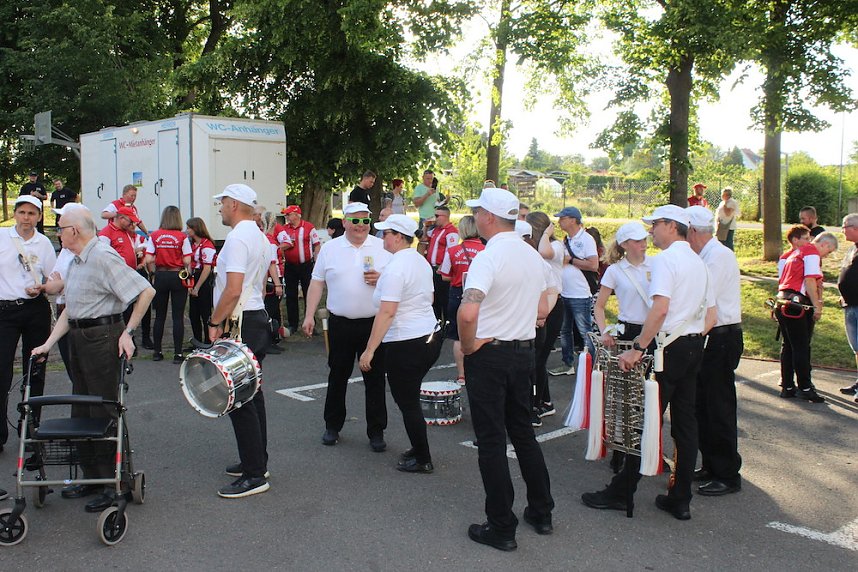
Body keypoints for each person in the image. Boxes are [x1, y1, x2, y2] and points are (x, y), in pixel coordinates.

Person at [582, 204, 715, 521]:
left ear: (671, 226)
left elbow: (660, 309)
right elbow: (711, 315)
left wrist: (639, 347)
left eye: (654, 225)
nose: (651, 232)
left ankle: (621, 491)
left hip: (666, 348)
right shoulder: (699, 262)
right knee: (685, 423)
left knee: (641, 421)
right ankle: (680, 496)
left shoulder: (666, 261)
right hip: (693, 345)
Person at [31, 206, 154, 512]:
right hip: (78, 336)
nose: (58, 232)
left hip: (102, 337)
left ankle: (116, 484)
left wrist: (128, 332)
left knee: (104, 410)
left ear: (75, 230)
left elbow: (146, 290)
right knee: (82, 409)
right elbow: (71, 308)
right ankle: (91, 477)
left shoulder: (102, 256)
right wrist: (48, 343)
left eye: (60, 228)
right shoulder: (75, 260)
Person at [458, 187, 554, 552]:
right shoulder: (529, 254)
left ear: (488, 217)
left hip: (492, 353)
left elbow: (468, 312)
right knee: (522, 432)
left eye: (479, 212)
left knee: (492, 441)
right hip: (521, 352)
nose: (476, 217)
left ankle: (501, 525)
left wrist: (468, 346)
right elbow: (546, 300)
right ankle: (541, 510)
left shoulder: (489, 256)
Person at [303, 202, 392, 450]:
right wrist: (309, 315)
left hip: (373, 324)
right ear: (344, 222)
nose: (360, 226)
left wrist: (382, 279)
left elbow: (398, 282)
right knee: (337, 375)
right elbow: (316, 283)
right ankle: (332, 426)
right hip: (340, 322)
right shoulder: (330, 249)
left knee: (374, 379)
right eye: (355, 221)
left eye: (365, 221)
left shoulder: (382, 246)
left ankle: (376, 432)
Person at [207, 183, 272, 499]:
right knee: (252, 394)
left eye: (222, 203)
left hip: (241, 320)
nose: (219, 208)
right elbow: (255, 284)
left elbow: (233, 289)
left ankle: (254, 474)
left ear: (233, 204)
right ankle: (257, 461)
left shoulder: (236, 238)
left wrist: (214, 321)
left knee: (240, 398)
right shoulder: (259, 235)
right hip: (255, 317)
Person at [359, 214, 436, 473]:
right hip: (427, 336)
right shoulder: (418, 260)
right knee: (409, 398)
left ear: (398, 237)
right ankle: (418, 448)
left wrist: (370, 350)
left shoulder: (396, 267)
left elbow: (387, 312)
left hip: (407, 341)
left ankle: (423, 457)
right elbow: (430, 296)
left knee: (407, 401)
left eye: (386, 233)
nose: (382, 237)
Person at [685, 206, 743, 497]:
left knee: (718, 406)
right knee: (703, 405)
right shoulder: (705, 254)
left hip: (721, 336)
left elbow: (702, 297)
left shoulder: (719, 255)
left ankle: (727, 472)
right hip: (710, 336)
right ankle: (711, 463)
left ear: (693, 231)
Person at [0, 195, 57, 452]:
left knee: (35, 369)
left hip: (35, 309)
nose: (26, 218)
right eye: (22, 212)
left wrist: (43, 287)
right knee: (2, 370)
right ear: (15, 214)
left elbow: (54, 275)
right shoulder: (2, 237)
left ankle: (32, 428)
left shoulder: (43, 242)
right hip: (5, 310)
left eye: (31, 214)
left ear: (39, 217)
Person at [775, 231, 838, 402]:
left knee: (788, 345)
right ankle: (805, 387)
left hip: (783, 300)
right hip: (797, 303)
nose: (827, 255)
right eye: (829, 251)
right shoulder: (811, 252)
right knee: (801, 347)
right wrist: (817, 306)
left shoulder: (794, 253)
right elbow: (810, 280)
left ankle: (788, 385)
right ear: (824, 244)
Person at [549, 206, 598, 377]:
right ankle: (567, 363)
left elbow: (593, 264)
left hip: (580, 293)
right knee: (565, 331)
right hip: (565, 292)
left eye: (562, 218)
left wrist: (571, 261)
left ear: (572, 219)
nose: (559, 221)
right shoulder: (565, 240)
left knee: (585, 331)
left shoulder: (586, 239)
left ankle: (593, 367)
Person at [439, 215, 485, 385]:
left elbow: (444, 276)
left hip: (457, 293)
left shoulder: (452, 251)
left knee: (458, 336)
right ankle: (480, 371)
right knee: (481, 333)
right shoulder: (486, 250)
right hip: (481, 294)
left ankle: (462, 374)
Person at [528, 211, 565, 420]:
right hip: (542, 301)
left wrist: (545, 234)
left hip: (552, 304)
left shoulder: (556, 246)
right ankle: (545, 401)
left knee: (538, 360)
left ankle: (535, 403)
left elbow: (543, 252)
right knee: (537, 359)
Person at [144, 206, 192, 363]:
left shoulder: (155, 235)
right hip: (177, 275)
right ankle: (178, 354)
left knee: (159, 316)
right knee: (178, 316)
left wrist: (152, 272)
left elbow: (149, 259)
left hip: (161, 275)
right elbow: (187, 260)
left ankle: (157, 352)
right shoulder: (182, 236)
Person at [277, 205, 320, 335]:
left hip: (306, 265)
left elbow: (317, 245)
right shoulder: (285, 229)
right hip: (290, 265)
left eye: (289, 215)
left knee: (309, 293)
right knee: (291, 295)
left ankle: (310, 322)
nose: (287, 217)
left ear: (296, 215)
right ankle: (293, 324)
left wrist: (317, 262)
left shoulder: (308, 227)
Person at [425, 205, 458, 327]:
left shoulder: (452, 231)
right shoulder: (436, 230)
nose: (435, 218)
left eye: (437, 216)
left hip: (440, 270)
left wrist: (444, 268)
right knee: (434, 298)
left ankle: (446, 324)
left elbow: (452, 251)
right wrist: (426, 226)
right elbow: (424, 237)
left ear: (445, 217)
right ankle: (436, 322)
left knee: (444, 298)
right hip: (431, 268)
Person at [186, 217, 217, 346]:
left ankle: (208, 341)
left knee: (205, 313)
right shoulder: (192, 244)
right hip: (194, 277)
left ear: (196, 229)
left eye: (189, 228)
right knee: (193, 313)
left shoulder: (207, 245)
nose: (186, 230)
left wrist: (197, 287)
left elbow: (206, 269)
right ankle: (197, 341)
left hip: (203, 281)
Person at [838, 213, 858, 400]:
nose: (842, 230)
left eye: (844, 226)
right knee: (857, 348)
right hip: (850, 305)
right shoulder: (852, 249)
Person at [260, 211, 285, 353]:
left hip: (264, 279)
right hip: (270, 279)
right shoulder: (270, 242)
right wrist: (277, 284)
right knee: (271, 310)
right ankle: (270, 340)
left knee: (270, 310)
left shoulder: (262, 239)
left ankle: (272, 339)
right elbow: (271, 264)